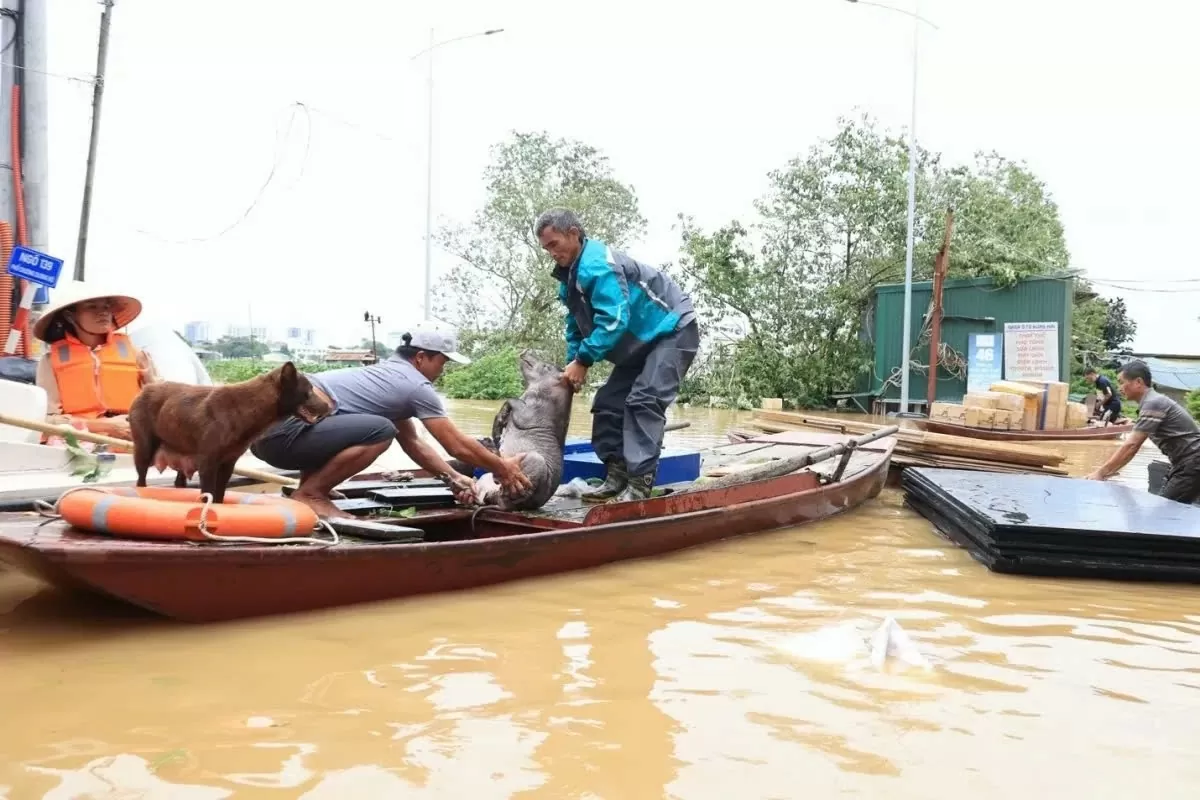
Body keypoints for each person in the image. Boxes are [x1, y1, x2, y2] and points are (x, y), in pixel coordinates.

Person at [251, 322, 532, 518]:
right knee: (380, 429)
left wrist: (454, 478)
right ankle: (312, 494)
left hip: (264, 434)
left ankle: (311, 489)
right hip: (284, 432)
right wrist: (502, 467)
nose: (443, 371)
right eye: (442, 363)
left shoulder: (388, 376)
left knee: (366, 424)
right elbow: (456, 446)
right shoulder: (414, 386)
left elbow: (412, 443)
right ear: (421, 357)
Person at [535, 207, 700, 503]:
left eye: (553, 244)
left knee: (644, 400)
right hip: (641, 343)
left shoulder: (598, 265)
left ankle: (639, 486)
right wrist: (572, 362)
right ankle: (617, 476)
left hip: (671, 330)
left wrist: (584, 360)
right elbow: (575, 325)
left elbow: (613, 320)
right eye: (546, 248)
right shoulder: (570, 279)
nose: (550, 253)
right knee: (609, 403)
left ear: (573, 234)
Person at [31, 281, 159, 440]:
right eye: (92, 307)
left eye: (106, 307)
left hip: (129, 450)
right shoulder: (50, 362)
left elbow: (160, 406)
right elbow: (47, 421)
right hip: (75, 450)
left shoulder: (138, 356)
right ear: (69, 316)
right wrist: (105, 426)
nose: (103, 313)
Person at [1087, 360, 1200, 504]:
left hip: (1192, 462)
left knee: (1166, 513)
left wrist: (1100, 473)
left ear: (1138, 382)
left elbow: (1132, 445)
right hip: (1185, 462)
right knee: (1173, 512)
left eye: (1122, 382)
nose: (1119, 388)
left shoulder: (1153, 403)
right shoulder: (1151, 403)